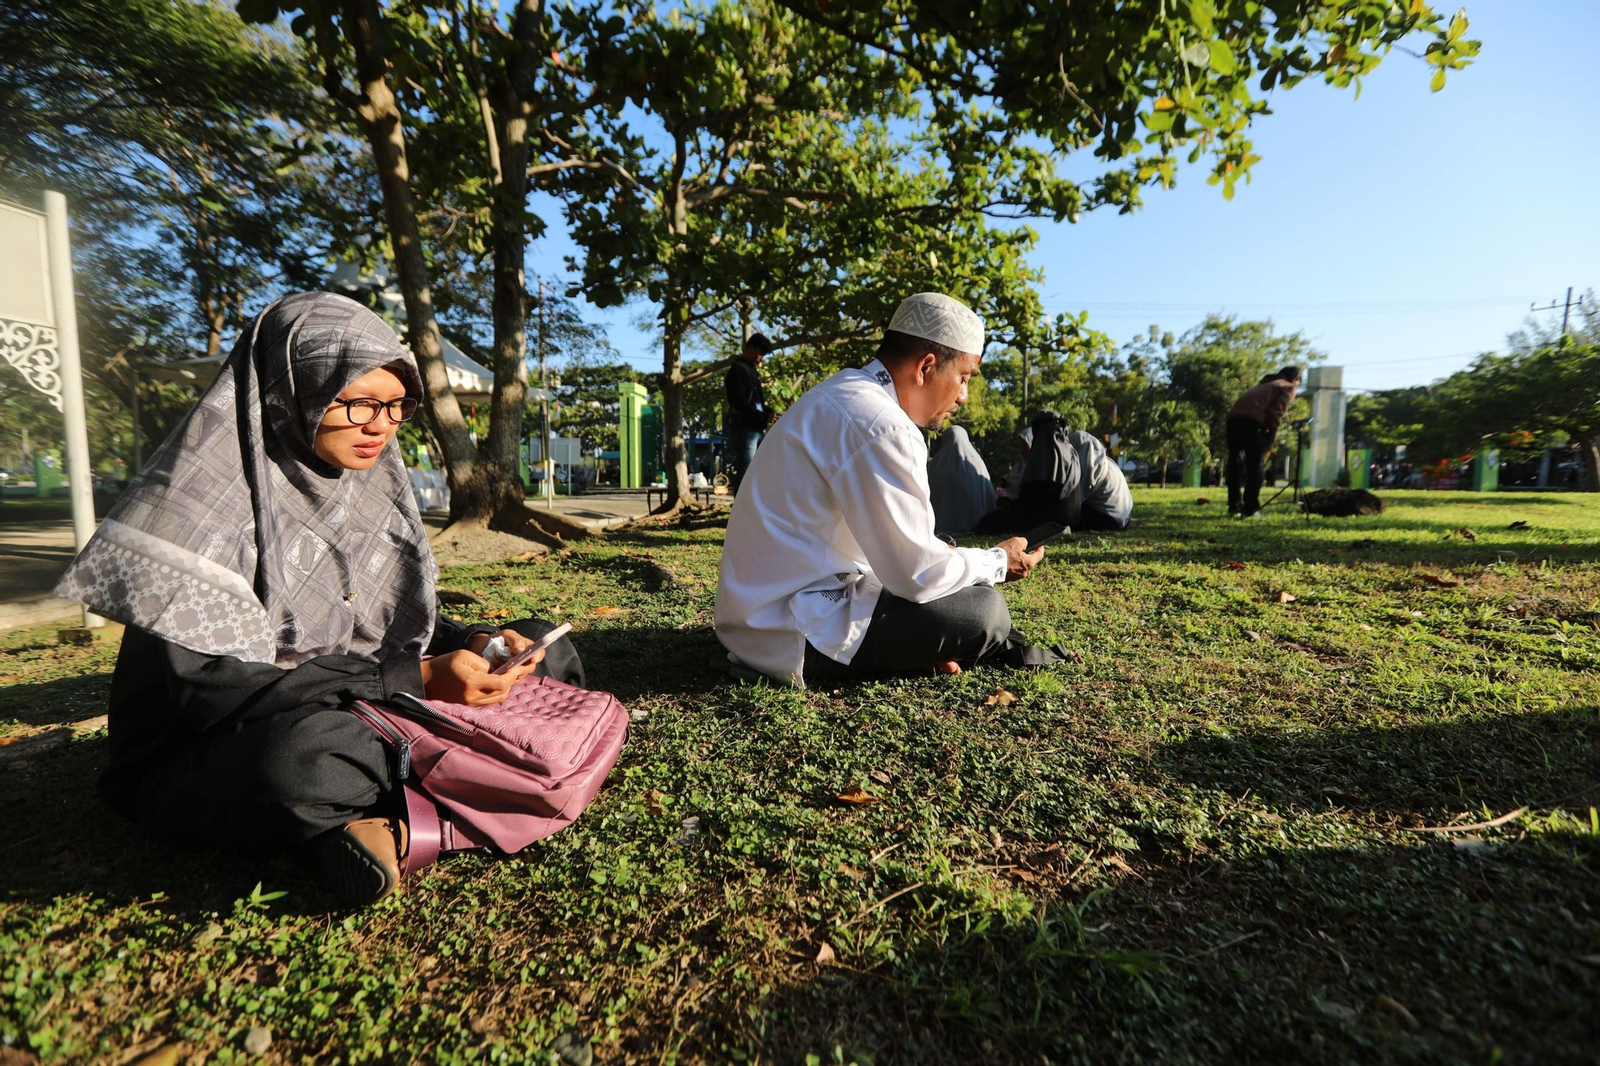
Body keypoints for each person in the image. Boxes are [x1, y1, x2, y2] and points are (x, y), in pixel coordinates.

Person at [54, 293, 583, 906]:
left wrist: (473, 644)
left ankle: (376, 818)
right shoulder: (195, 508)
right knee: (301, 762)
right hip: (216, 747)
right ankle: (428, 808)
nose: (381, 425)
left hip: (359, 701)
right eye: (358, 401)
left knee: (550, 645)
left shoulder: (363, 486)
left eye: (395, 406)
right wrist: (416, 680)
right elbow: (215, 693)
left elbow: (381, 627)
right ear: (288, 388)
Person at [714, 292, 1072, 687]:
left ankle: (905, 651)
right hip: (790, 633)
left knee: (952, 576)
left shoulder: (843, 394)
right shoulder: (883, 426)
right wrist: (997, 562)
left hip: (756, 619)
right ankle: (898, 655)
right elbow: (916, 574)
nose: (964, 396)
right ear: (926, 366)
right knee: (984, 612)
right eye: (964, 378)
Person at [976, 411, 1132, 533]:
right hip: (1107, 512)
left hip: (1109, 517)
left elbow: (1070, 502)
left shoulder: (1082, 448)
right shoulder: (1063, 453)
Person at [1224, 365, 1302, 517]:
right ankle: (1250, 509)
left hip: (1233, 421)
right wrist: (1272, 439)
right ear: (1295, 380)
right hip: (1252, 424)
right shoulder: (1287, 387)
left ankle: (1234, 506)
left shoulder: (1265, 384)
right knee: (1256, 465)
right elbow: (1275, 413)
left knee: (1235, 464)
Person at [725, 331, 776, 493]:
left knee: (759, 469)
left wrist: (770, 413)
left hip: (756, 428)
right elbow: (740, 403)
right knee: (746, 470)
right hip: (745, 429)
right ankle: (740, 511)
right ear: (751, 349)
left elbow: (757, 402)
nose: (762, 358)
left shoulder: (751, 371)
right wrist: (764, 416)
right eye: (761, 353)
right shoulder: (738, 370)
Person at [927, 424, 996, 535]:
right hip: (977, 524)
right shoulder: (976, 462)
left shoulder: (937, 463)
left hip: (940, 524)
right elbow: (988, 494)